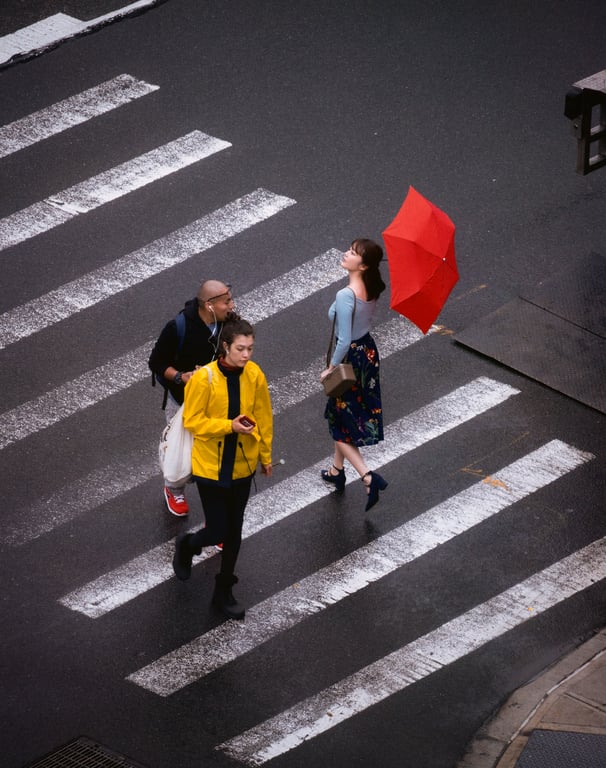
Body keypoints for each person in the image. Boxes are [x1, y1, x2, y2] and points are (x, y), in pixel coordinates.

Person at [172, 317, 273, 620]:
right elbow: (193, 421)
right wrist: (228, 426)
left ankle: (224, 590)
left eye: (250, 348)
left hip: (242, 465)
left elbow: (264, 416)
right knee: (218, 528)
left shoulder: (254, 375)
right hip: (210, 467)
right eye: (241, 348)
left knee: (235, 531)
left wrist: (265, 456)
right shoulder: (204, 379)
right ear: (225, 347)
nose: (246, 355)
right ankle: (188, 545)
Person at [149, 280, 236, 517]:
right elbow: (156, 362)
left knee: (214, 450)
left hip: (217, 400)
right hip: (183, 401)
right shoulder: (177, 327)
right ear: (209, 305)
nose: (232, 305)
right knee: (179, 448)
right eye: (226, 301)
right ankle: (174, 488)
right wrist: (181, 376)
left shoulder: (229, 323)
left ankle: (216, 502)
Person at [320, 238, 388, 511]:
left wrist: (332, 367)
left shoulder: (346, 295)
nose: (346, 254)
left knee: (338, 422)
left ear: (363, 265)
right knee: (344, 414)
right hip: (367, 353)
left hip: (350, 359)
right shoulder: (372, 287)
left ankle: (368, 476)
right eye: (349, 249)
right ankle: (337, 471)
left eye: (353, 253)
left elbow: (344, 339)